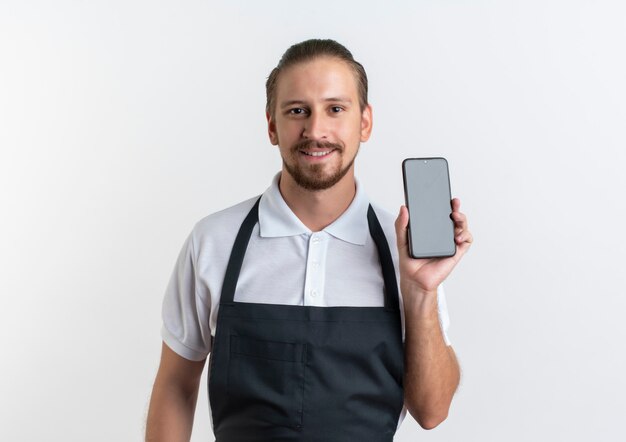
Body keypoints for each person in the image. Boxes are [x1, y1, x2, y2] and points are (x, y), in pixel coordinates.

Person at [145, 38, 473, 442]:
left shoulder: (404, 249)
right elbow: (176, 386)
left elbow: (432, 411)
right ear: (271, 126)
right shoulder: (215, 240)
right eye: (297, 111)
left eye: (335, 109)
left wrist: (421, 292)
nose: (316, 130)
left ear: (365, 122)